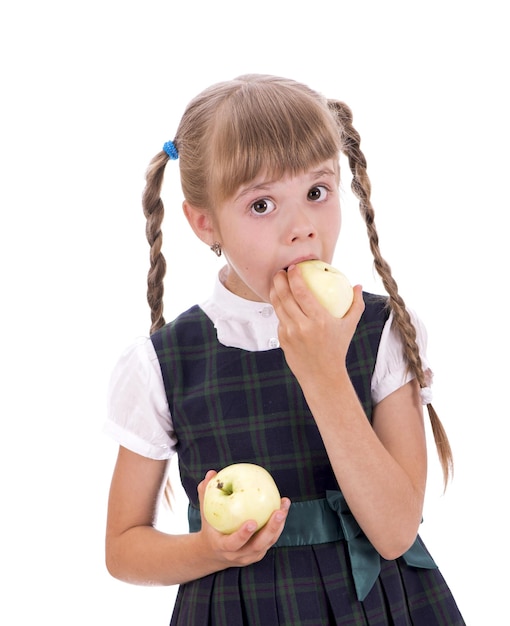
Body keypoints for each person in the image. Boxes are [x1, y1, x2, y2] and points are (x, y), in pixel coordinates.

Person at [104, 74, 465, 625]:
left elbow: (394, 531)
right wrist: (207, 549)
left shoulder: (381, 329)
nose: (302, 228)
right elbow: (123, 548)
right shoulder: (165, 364)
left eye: (317, 193)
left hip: (380, 609)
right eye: (263, 204)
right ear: (205, 223)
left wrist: (323, 372)